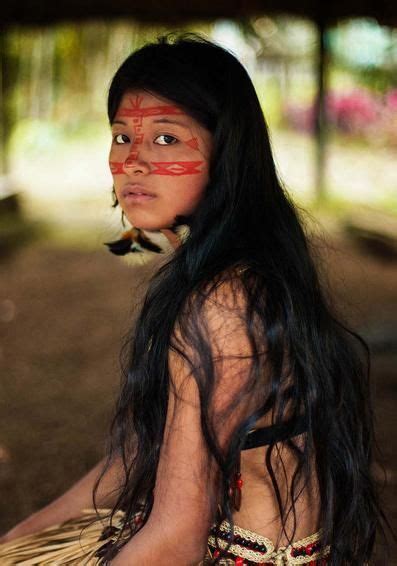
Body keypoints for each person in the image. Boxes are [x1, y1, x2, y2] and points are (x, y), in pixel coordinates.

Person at [0, 33, 385, 565]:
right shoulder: (220, 269)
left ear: (224, 152)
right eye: (120, 137)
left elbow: (178, 538)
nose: (132, 161)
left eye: (165, 140)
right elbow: (134, 454)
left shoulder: (225, 303)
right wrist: (17, 544)